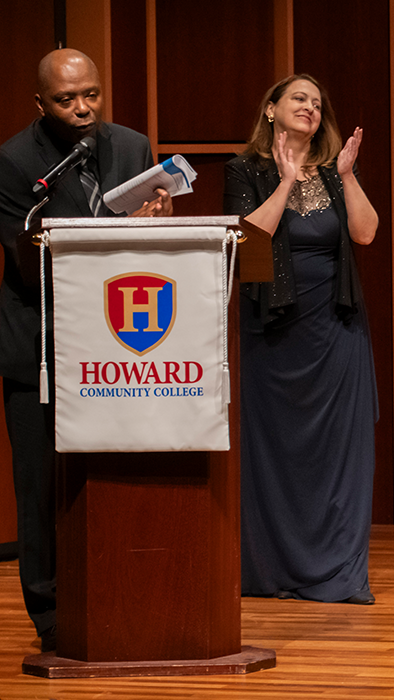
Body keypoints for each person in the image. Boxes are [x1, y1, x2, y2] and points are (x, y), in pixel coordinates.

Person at [0, 48, 172, 652]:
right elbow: (28, 261)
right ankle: (50, 615)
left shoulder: (133, 146)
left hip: (118, 346)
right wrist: (120, 233)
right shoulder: (15, 162)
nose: (83, 108)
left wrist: (157, 221)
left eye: (91, 94)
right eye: (66, 99)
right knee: (41, 487)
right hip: (41, 344)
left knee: (118, 475)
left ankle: (125, 595)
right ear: (40, 103)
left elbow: (150, 251)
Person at [223, 74, 379, 606]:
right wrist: (285, 181)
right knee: (275, 451)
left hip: (335, 329)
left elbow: (366, 233)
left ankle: (338, 573)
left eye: (317, 102)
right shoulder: (244, 170)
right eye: (299, 98)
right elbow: (248, 240)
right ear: (271, 109)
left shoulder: (336, 172)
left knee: (337, 453)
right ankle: (272, 568)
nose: (311, 106)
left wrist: (349, 175)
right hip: (271, 332)